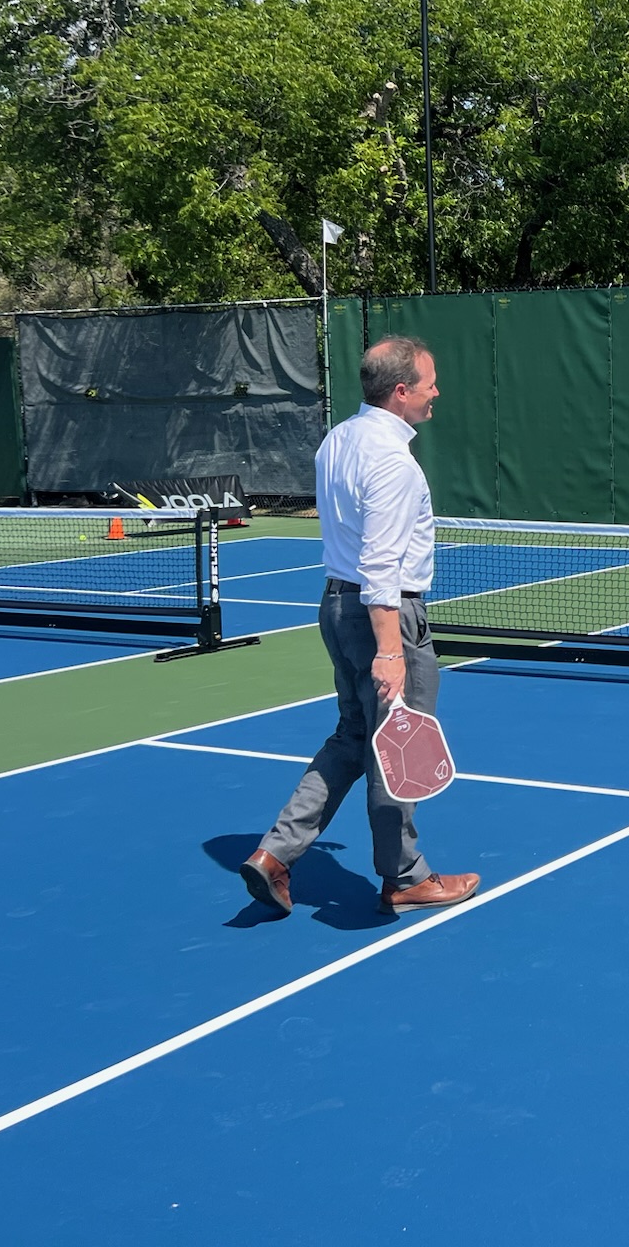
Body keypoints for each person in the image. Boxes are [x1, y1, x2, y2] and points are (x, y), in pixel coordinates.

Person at [240, 336, 480, 918]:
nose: (436, 392)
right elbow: (381, 568)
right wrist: (391, 652)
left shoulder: (337, 440)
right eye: (429, 383)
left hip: (335, 608)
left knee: (353, 735)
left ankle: (275, 855)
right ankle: (404, 877)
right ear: (402, 392)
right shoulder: (393, 462)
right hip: (384, 616)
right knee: (397, 745)